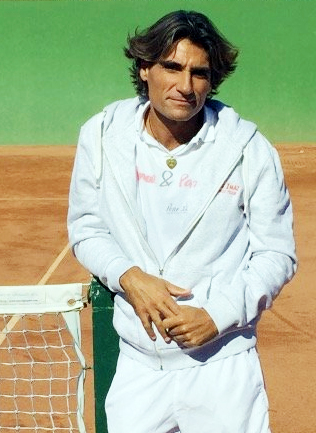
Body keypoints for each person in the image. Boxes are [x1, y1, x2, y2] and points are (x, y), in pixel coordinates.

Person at [67, 10, 297, 433]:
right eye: (172, 67)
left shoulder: (249, 149)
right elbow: (86, 227)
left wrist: (218, 315)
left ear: (212, 80)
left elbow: (277, 255)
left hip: (223, 366)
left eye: (199, 73)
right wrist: (129, 276)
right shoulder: (100, 136)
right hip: (139, 366)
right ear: (145, 68)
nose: (185, 86)